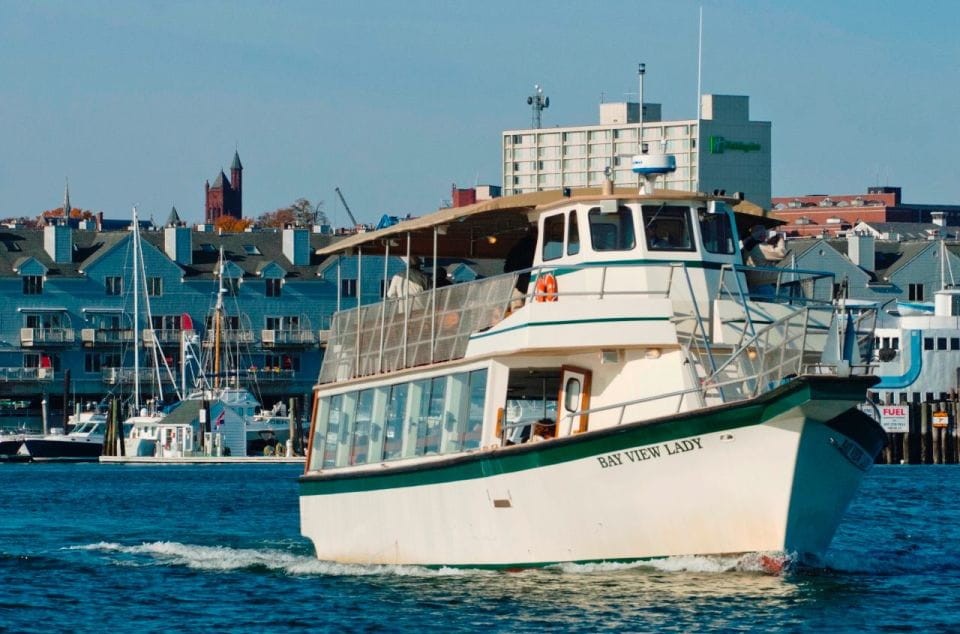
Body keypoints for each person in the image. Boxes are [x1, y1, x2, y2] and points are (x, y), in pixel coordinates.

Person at [504, 226, 537, 311]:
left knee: (517, 309)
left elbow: (507, 267)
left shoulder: (517, 247)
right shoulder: (533, 247)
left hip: (517, 282)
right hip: (527, 281)